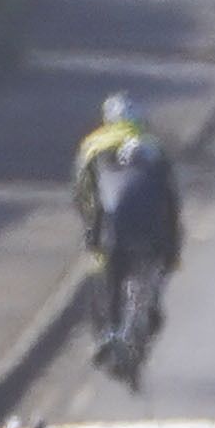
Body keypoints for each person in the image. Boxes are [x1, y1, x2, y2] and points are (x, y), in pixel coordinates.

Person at [70, 94, 182, 368]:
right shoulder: (153, 146)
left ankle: (108, 332)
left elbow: (84, 194)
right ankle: (152, 304)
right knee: (162, 263)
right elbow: (170, 196)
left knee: (105, 273)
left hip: (112, 227)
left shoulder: (93, 145)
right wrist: (173, 243)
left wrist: (89, 226)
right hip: (153, 229)